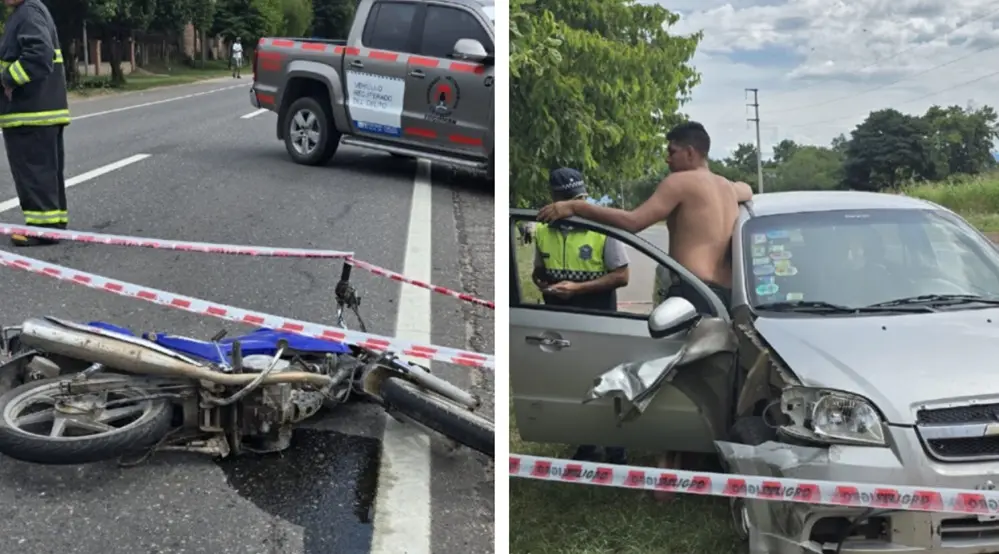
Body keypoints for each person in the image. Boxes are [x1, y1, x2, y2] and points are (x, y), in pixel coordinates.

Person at [537, 123, 753, 494]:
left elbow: (634, 222)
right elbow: (749, 189)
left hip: (691, 294)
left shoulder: (680, 182)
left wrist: (577, 207)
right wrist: (739, 188)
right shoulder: (727, 187)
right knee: (715, 385)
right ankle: (702, 458)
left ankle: (667, 468)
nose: (666, 157)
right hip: (727, 296)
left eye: (671, 150)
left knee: (672, 379)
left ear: (689, 152)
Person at [533, 167, 631, 464]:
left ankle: (616, 449)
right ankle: (586, 444)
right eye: (566, 200)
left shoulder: (602, 230)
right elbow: (538, 272)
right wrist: (543, 283)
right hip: (560, 323)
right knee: (572, 383)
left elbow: (622, 276)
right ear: (554, 199)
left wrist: (578, 287)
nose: (571, 206)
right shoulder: (542, 230)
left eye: (577, 199)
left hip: (598, 320)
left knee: (608, 383)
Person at [0, 0, 70, 247]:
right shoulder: (27, 12)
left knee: (34, 173)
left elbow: (39, 55)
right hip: (38, 113)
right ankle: (54, 225)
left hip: (31, 114)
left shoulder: (28, 11)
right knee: (44, 174)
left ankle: (43, 229)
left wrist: (7, 79)